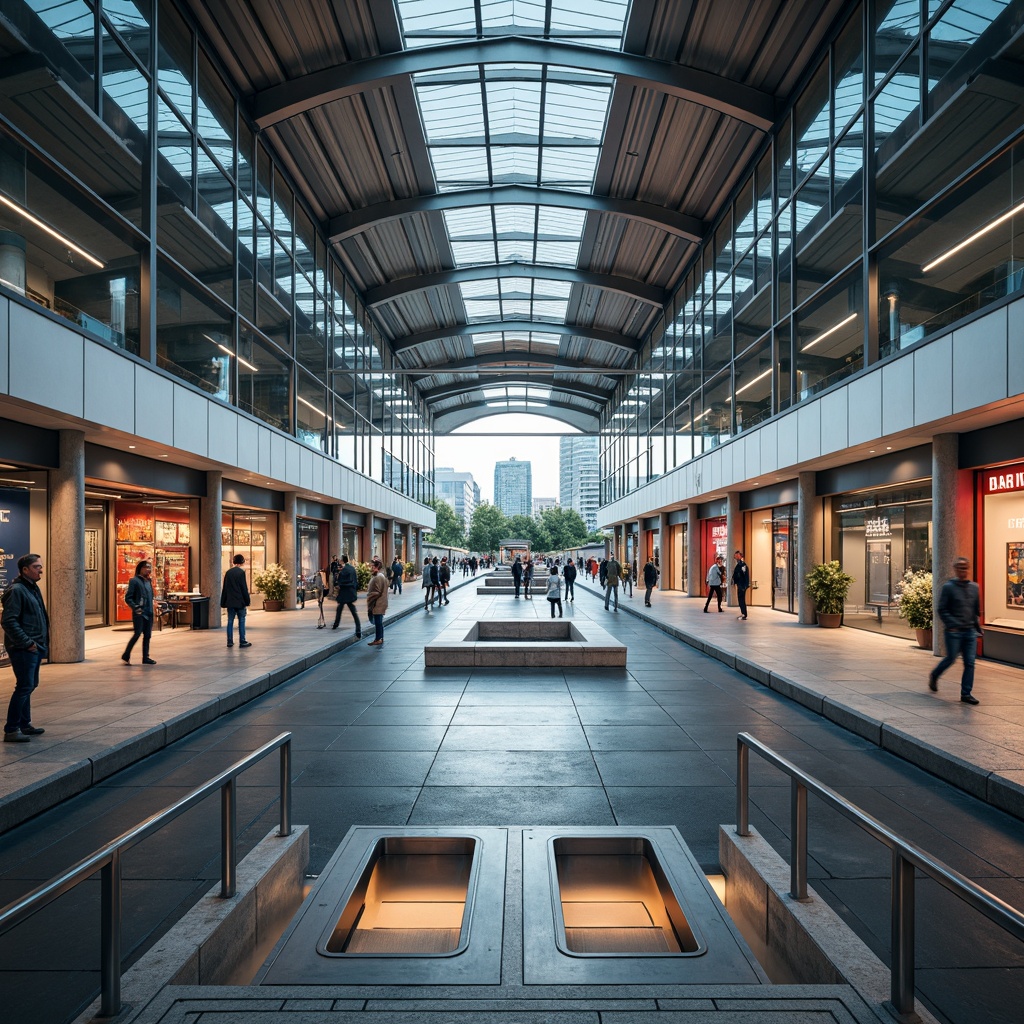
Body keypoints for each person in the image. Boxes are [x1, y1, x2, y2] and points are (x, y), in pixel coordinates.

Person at [2, 553, 48, 742]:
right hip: (23, 648)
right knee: (24, 686)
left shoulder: (32, 588)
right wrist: (27, 642)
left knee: (29, 685)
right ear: (25, 570)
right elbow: (8, 621)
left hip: (34, 645)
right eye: (37, 567)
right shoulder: (17, 590)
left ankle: (24, 724)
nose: (41, 570)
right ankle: (12, 729)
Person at [929, 557, 982, 704]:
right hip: (954, 632)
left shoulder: (974, 587)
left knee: (970, 663)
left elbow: (975, 610)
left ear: (968, 569)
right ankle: (935, 675)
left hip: (970, 631)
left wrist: (978, 628)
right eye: (959, 567)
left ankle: (966, 693)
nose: (962, 570)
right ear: (955, 569)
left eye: (965, 567)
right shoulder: (948, 587)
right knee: (951, 658)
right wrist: (951, 624)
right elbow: (942, 609)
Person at [122, 559, 157, 665]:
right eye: (146, 567)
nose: (148, 569)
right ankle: (126, 654)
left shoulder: (149, 581)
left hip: (149, 612)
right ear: (140, 569)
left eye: (149, 567)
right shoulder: (134, 581)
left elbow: (150, 597)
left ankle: (145, 657)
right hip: (139, 613)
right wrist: (135, 607)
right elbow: (128, 598)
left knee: (147, 635)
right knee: (137, 634)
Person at [221, 553, 252, 648]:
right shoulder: (241, 573)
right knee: (241, 620)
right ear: (242, 562)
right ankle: (242, 641)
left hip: (230, 602)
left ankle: (229, 641)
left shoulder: (228, 572)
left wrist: (223, 601)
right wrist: (247, 600)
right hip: (240, 601)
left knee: (230, 621)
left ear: (233, 562)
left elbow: (225, 588)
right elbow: (244, 588)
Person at [331, 554, 361, 636]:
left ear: (342, 560)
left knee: (343, 609)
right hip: (350, 592)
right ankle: (357, 629)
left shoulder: (344, 570)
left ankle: (336, 624)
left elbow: (341, 582)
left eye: (340, 559)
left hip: (345, 593)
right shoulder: (351, 568)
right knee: (348, 610)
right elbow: (355, 581)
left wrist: (338, 583)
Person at [366, 557, 389, 646]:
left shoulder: (378, 577)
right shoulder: (379, 576)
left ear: (377, 567)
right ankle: (379, 638)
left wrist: (369, 598)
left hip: (378, 603)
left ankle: (378, 638)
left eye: (372, 566)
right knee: (378, 621)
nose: (371, 568)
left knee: (378, 622)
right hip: (379, 602)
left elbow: (377, 592)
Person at [733, 550, 750, 620]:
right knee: (740, 599)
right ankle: (743, 613)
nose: (736, 557)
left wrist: (745, 585)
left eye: (737, 556)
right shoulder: (739, 565)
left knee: (741, 599)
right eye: (735, 556)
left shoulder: (742, 565)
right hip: (740, 584)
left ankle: (744, 614)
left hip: (742, 585)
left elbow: (744, 575)